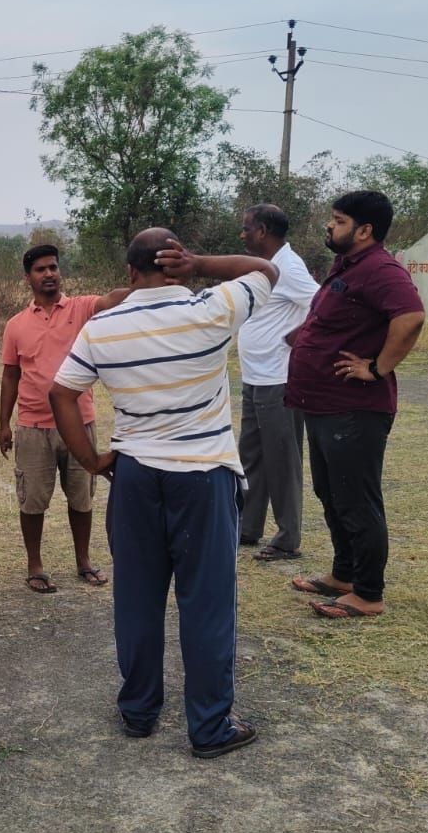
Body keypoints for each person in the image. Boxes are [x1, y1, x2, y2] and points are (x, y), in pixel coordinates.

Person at [48, 229, 276, 758]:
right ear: (176, 267)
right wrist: (201, 264)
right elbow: (266, 271)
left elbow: (61, 392)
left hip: (133, 477)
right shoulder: (211, 309)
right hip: (203, 475)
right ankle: (210, 727)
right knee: (208, 603)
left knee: (137, 598)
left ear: (129, 273)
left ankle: (139, 710)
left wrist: (92, 459)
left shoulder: (102, 326)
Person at [285, 191, 426, 620]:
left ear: (365, 230)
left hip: (354, 407)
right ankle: (343, 575)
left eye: (339, 220)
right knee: (330, 492)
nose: (330, 226)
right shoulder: (348, 265)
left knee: (356, 499)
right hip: (324, 403)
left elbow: (411, 317)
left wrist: (377, 368)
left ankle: (368, 592)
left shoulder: (382, 269)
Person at [0, 244, 129, 593]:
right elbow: (10, 376)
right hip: (32, 426)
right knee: (33, 499)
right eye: (40, 269)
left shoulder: (82, 308)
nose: (49, 274)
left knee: (81, 497)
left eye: (54, 267)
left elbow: (111, 300)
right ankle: (35, 565)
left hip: (79, 422)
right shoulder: (15, 325)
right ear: (28, 278)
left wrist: (145, 277)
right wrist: (3, 424)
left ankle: (83, 560)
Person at [235, 204, 320, 562]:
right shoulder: (265, 267)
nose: (243, 234)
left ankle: (288, 539)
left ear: (264, 230)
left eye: (247, 228)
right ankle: (248, 527)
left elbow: (324, 303)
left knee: (282, 459)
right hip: (255, 377)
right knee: (251, 456)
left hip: (278, 379)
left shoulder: (291, 266)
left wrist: (300, 333)